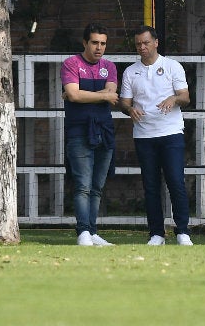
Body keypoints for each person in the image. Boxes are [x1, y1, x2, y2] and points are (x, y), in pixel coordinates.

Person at [119, 25, 193, 246]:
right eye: (138, 44)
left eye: (146, 43)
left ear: (156, 42)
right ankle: (156, 234)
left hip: (170, 132)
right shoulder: (130, 72)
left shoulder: (172, 66)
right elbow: (124, 101)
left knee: (175, 182)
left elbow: (185, 97)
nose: (142, 47)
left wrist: (174, 99)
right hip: (144, 135)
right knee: (150, 185)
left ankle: (183, 231)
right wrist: (129, 109)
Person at [60, 23, 119, 246]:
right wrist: (101, 95)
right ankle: (82, 232)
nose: (99, 47)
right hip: (79, 131)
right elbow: (74, 96)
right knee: (82, 185)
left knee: (97, 186)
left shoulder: (109, 66)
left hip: (104, 130)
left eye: (103, 43)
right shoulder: (71, 63)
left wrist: (83, 94)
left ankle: (92, 232)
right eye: (94, 42)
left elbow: (112, 93)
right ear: (85, 42)